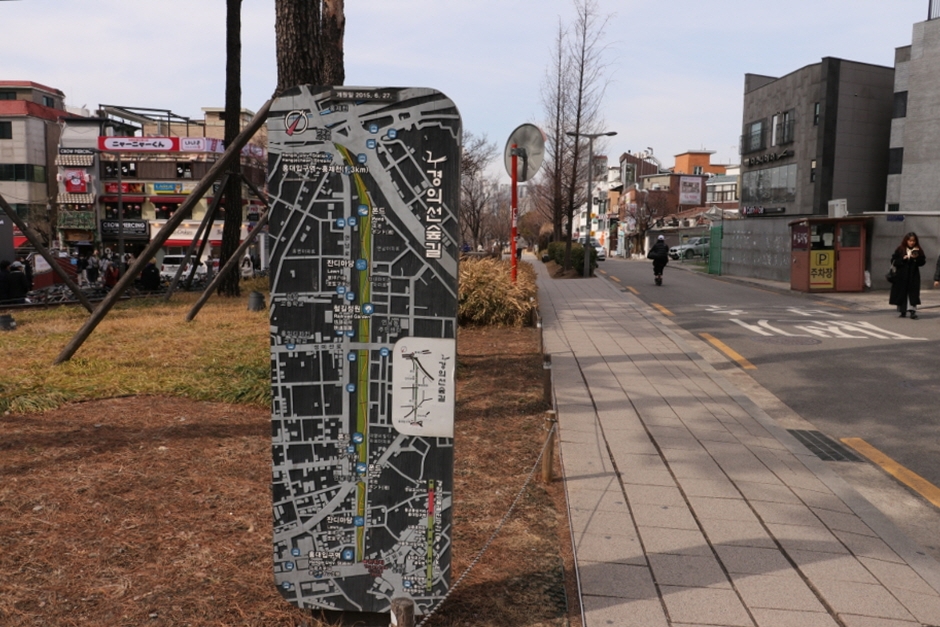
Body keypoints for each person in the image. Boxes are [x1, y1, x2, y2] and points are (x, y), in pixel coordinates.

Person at [889, 232, 926, 319]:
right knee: (902, 292)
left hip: (913, 275)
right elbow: (893, 261)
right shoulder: (900, 249)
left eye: (913, 241)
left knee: (913, 293)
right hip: (901, 275)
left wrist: (916, 258)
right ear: (906, 241)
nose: (912, 243)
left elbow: (922, 262)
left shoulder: (918, 250)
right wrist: (903, 258)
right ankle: (902, 311)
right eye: (910, 241)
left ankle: (912, 311)